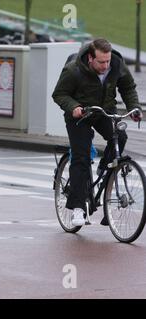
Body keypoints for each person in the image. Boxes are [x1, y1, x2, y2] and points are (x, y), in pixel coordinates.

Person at [52, 38, 142, 227]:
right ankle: (77, 208)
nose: (105, 65)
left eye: (108, 61)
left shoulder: (116, 65)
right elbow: (59, 94)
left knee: (120, 137)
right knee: (81, 158)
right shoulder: (73, 70)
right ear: (91, 58)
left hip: (105, 111)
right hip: (80, 115)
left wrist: (134, 108)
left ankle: (105, 169)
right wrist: (74, 107)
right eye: (101, 62)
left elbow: (127, 87)